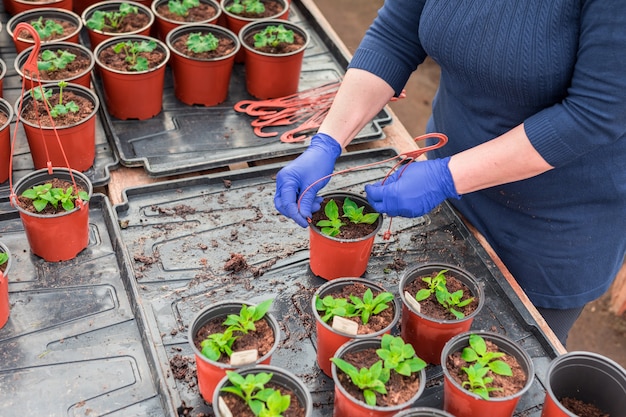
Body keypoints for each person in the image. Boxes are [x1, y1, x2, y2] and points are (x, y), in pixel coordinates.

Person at [273, 0, 626, 347]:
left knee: (503, 361)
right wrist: (328, 141)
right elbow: (395, 35)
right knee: (421, 337)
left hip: (551, 227)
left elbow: (593, 114)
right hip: (447, 187)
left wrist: (446, 176)